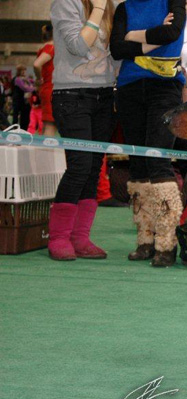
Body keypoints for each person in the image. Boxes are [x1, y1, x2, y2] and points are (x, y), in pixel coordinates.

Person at [110, 0, 186, 267]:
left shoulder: (173, 1)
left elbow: (171, 33)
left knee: (157, 158)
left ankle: (167, 242)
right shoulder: (124, 8)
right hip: (129, 88)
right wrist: (153, 36)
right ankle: (145, 239)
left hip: (165, 88)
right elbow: (117, 49)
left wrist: (133, 36)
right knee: (138, 164)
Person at [48, 0, 117, 261]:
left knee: (93, 167)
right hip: (71, 95)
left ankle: (80, 237)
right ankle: (58, 237)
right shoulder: (66, 3)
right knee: (79, 165)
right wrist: (98, 9)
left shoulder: (112, 6)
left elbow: (116, 54)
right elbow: (78, 45)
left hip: (105, 96)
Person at [32, 24, 57, 136]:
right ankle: (47, 148)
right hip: (50, 89)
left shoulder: (43, 48)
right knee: (50, 126)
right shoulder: (51, 48)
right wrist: (39, 78)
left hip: (46, 89)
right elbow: (36, 64)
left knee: (46, 125)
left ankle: (41, 147)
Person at [11, 65, 33, 130]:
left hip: (23, 100)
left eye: (24, 70)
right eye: (22, 70)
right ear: (19, 71)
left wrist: (29, 83)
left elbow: (32, 82)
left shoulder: (25, 79)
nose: (24, 72)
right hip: (17, 99)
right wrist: (32, 88)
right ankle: (14, 128)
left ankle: (23, 128)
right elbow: (25, 88)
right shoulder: (17, 79)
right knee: (15, 115)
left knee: (24, 115)